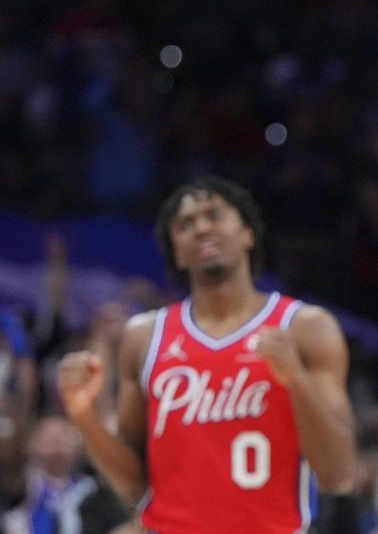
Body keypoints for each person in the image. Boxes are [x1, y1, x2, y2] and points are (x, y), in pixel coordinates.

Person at [56, 176, 356, 533]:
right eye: (186, 225)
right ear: (178, 253)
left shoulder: (305, 327)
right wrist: (82, 413)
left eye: (214, 216)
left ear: (247, 234)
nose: (201, 228)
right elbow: (134, 485)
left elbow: (339, 475)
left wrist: (297, 380)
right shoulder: (143, 337)